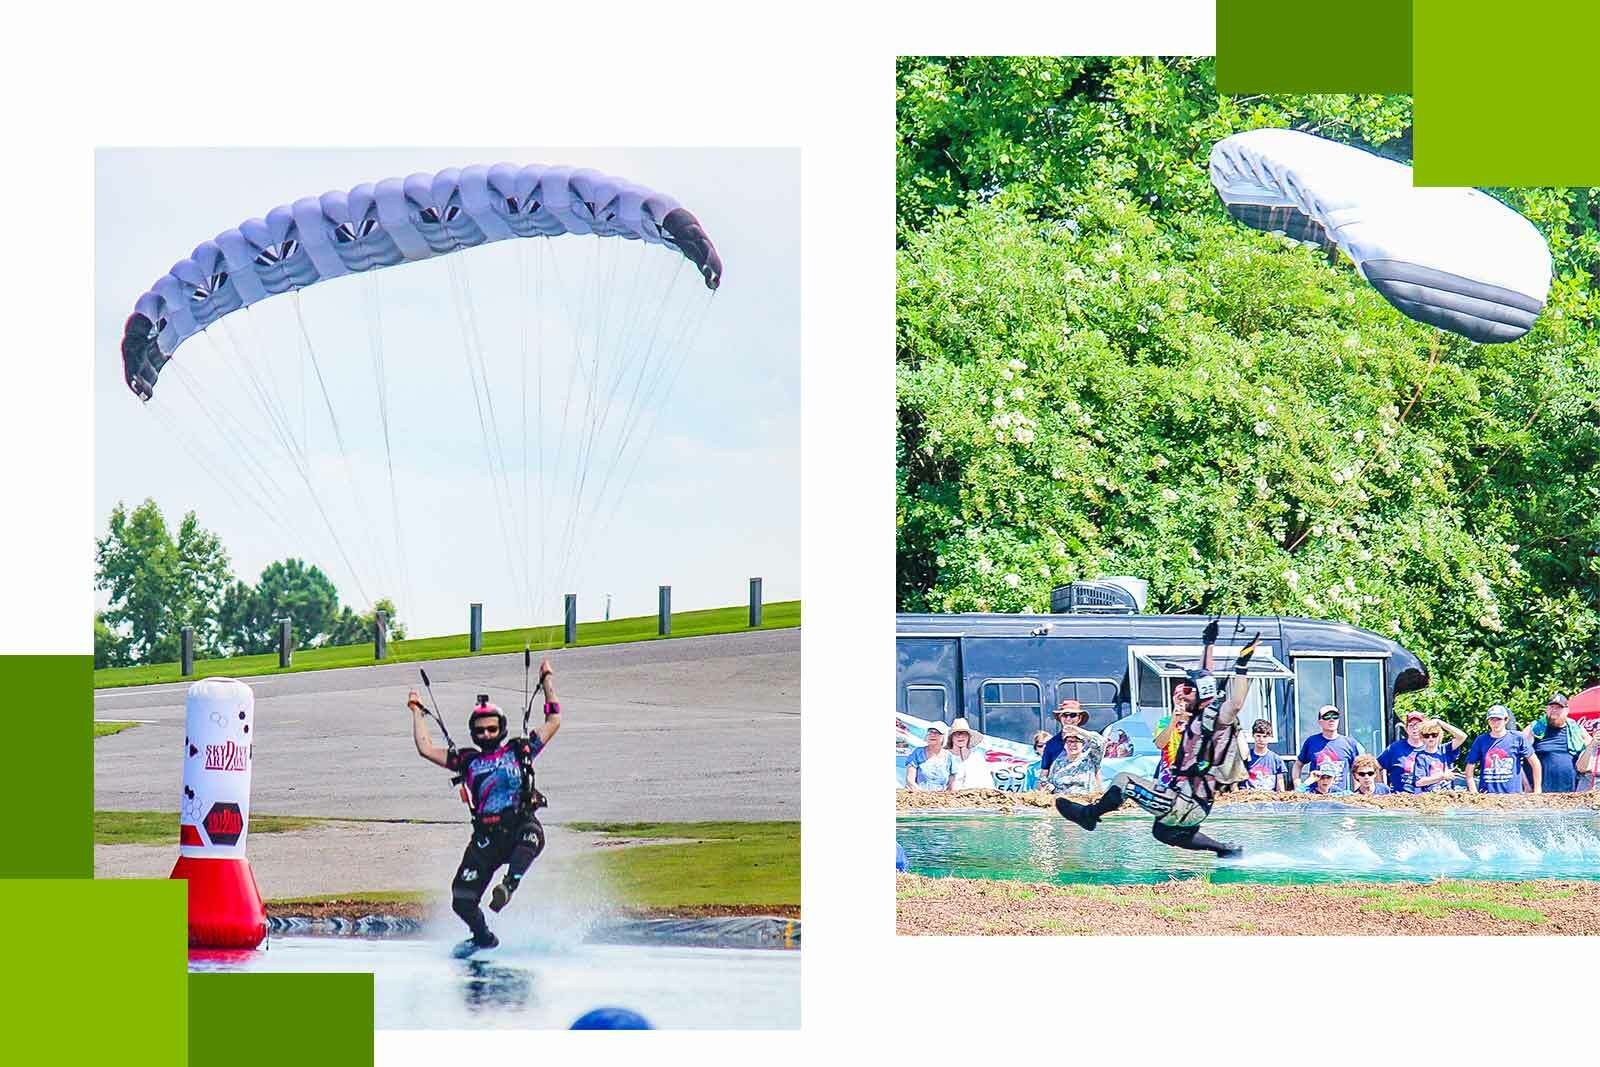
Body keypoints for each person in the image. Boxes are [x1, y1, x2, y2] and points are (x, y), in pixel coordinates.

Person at [1055, 620, 1258, 857]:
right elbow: (1207, 676)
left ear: (1201, 693)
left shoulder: (1216, 718)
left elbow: (1235, 704)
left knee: (1124, 781)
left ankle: (1089, 816)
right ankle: (1226, 850)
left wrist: (1242, 665)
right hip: (1187, 800)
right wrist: (1209, 643)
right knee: (1163, 832)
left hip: (1185, 802)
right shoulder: (1198, 714)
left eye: (1188, 690)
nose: (1183, 694)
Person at [410, 658, 560, 958]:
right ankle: (483, 938)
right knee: (461, 899)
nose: (487, 735)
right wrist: (417, 712)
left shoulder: (520, 750)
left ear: (501, 728)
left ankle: (510, 884)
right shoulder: (467, 761)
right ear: (473, 733)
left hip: (520, 825)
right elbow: (426, 748)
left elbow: (554, 720)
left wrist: (547, 680)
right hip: (487, 838)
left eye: (492, 729)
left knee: (530, 839)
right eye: (481, 731)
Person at [1522, 694, 1590, 794]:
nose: (1554, 710)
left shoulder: (1577, 729)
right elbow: (1515, 758)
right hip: (1539, 794)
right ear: (1546, 709)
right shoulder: (1534, 729)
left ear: (1567, 710)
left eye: (1558, 708)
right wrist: (1526, 786)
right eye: (1551, 707)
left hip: (1571, 794)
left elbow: (1593, 753)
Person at [1466, 704, 1540, 794]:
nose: (1495, 723)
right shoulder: (1481, 740)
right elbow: (1469, 770)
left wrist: (1537, 791)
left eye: (1498, 719)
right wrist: (1474, 793)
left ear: (1506, 720)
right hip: (1487, 798)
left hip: (1513, 798)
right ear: (1488, 721)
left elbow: (1535, 763)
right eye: (1492, 719)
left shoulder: (1518, 738)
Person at [1295, 705, 1364, 792]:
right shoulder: (1311, 741)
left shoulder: (1350, 743)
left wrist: (1357, 793)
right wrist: (1297, 785)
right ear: (1320, 721)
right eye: (1327, 717)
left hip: (1339, 797)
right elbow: (1298, 764)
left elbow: (1359, 770)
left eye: (1335, 716)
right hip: (1315, 797)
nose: (1331, 720)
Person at [1042, 718, 1105, 795]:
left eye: (1076, 741)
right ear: (1064, 745)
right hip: (1061, 802)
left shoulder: (1091, 758)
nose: (1072, 744)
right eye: (1069, 741)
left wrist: (1079, 731)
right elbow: (1048, 782)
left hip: (1085, 802)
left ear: (1083, 744)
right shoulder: (1057, 763)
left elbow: (1101, 741)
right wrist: (1049, 787)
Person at [1377, 710, 1427, 794]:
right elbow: (1376, 766)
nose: (1415, 728)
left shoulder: (1431, 747)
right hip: (1400, 800)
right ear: (1406, 729)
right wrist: (1382, 789)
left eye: (1418, 725)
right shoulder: (1395, 748)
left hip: (1427, 800)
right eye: (1411, 725)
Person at [1413, 718, 1467, 792]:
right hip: (1429, 797)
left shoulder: (1446, 749)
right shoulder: (1421, 757)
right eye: (1426, 735)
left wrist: (1439, 722)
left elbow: (1462, 736)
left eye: (1434, 734)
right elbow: (1418, 782)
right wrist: (1442, 776)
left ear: (1439, 736)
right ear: (1422, 738)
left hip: (1448, 794)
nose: (1430, 738)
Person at [904, 723, 959, 792]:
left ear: (944, 737)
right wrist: (923, 796)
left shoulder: (950, 757)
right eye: (930, 732)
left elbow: (951, 787)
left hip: (942, 799)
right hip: (918, 797)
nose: (932, 735)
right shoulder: (917, 753)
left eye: (937, 733)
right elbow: (910, 781)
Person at [1041, 700, 1089, 774]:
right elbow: (1044, 772)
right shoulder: (1052, 743)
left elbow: (1097, 771)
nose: (1068, 719)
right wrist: (1043, 784)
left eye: (1073, 715)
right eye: (1065, 715)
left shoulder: (1089, 741)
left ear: (1079, 718)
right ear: (1060, 718)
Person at [947, 718, 994, 790]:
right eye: (956, 734)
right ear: (951, 738)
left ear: (969, 737)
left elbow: (986, 783)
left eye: (963, 733)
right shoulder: (944, 756)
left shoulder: (977, 758)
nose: (960, 736)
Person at [1244, 719, 1286, 791]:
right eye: (1258, 736)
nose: (1261, 739)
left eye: (1265, 736)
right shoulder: (1245, 757)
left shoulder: (1276, 759)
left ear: (1270, 737)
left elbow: (1280, 787)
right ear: (1253, 736)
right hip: (1249, 798)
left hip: (1270, 799)